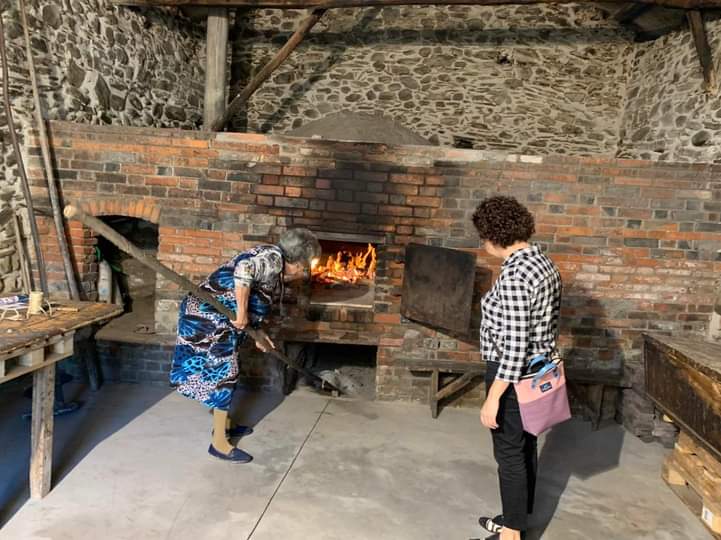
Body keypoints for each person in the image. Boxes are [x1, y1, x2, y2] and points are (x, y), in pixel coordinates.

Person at [169, 228, 321, 463]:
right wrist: (240, 313)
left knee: (224, 372)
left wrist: (259, 333)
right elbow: (244, 270)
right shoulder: (273, 260)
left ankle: (226, 424)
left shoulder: (274, 265)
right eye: (305, 266)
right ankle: (219, 443)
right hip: (205, 318)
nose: (304, 272)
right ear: (297, 261)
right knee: (224, 374)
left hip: (218, 319)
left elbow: (253, 301)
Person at [472, 196, 562, 540]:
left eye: (484, 237)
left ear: (496, 235)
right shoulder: (543, 263)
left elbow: (513, 347)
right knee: (525, 447)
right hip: (538, 372)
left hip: (511, 375)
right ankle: (517, 518)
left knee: (509, 454)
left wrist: (493, 397)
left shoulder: (514, 276)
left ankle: (511, 534)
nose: (483, 244)